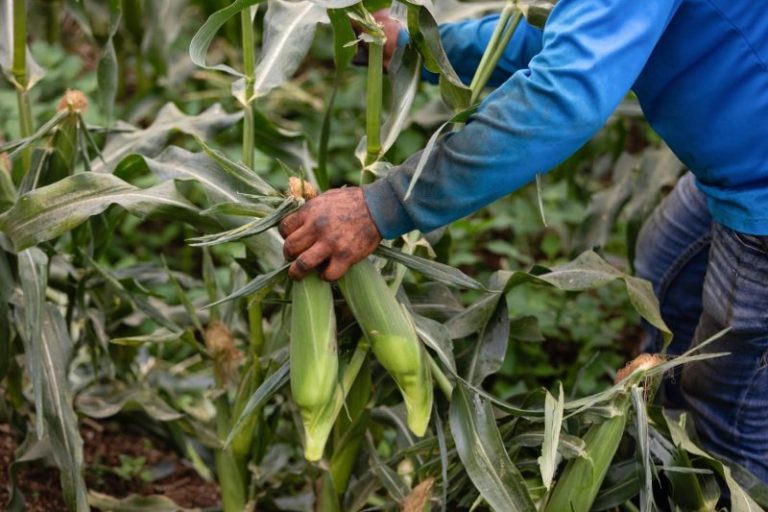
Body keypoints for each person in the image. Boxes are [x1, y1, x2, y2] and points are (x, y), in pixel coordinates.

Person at [278, 1, 768, 482]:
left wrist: (379, 207)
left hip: (759, 189)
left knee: (733, 410)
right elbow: (566, 34)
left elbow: (563, 95)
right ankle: (667, 435)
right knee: (666, 258)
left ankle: (726, 475)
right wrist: (419, 45)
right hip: (741, 157)